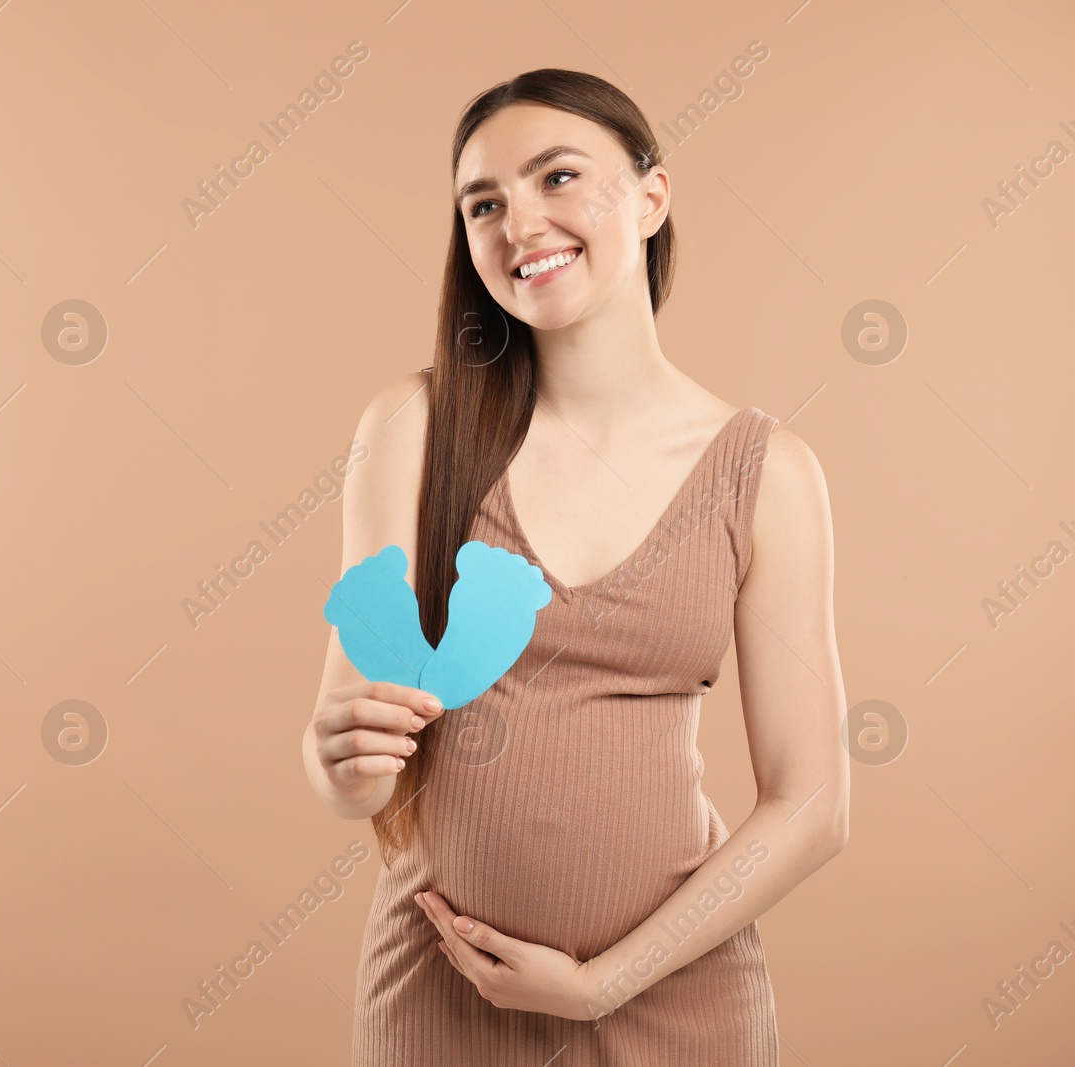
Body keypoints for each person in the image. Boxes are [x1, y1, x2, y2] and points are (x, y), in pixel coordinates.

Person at [300, 69, 850, 1065]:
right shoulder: (413, 429)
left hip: (682, 997)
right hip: (444, 990)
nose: (519, 223)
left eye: (558, 177)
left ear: (650, 197)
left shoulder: (768, 475)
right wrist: (332, 757)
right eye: (484, 204)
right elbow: (361, 777)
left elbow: (810, 803)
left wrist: (602, 985)